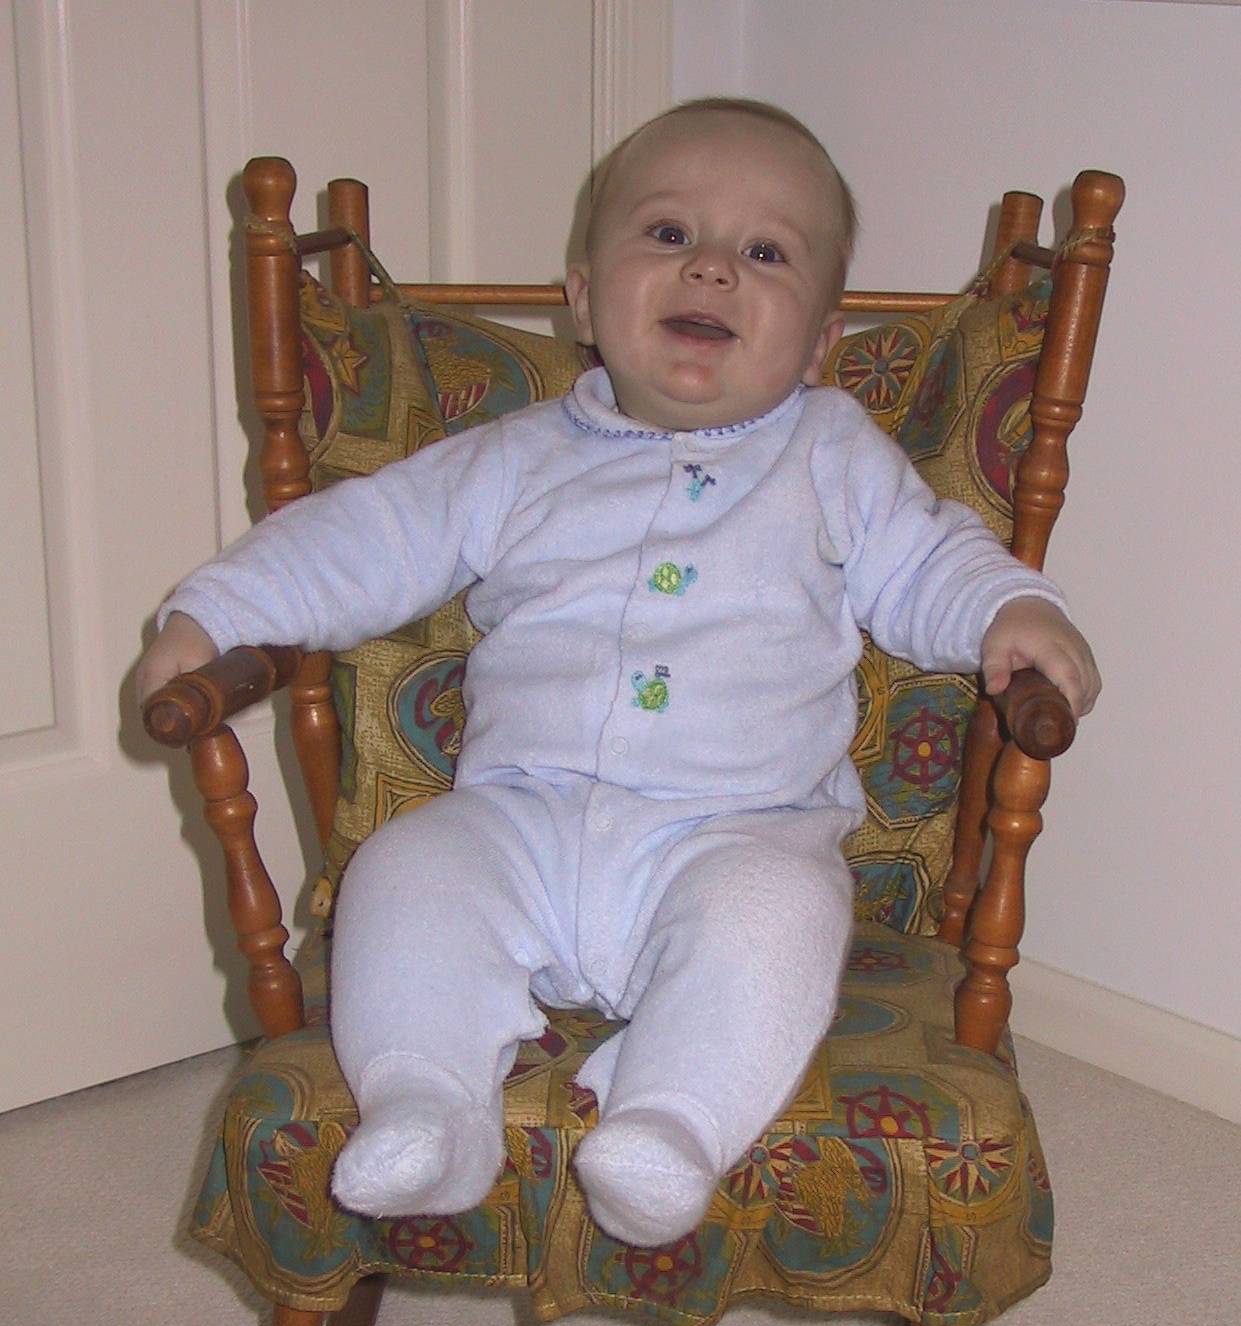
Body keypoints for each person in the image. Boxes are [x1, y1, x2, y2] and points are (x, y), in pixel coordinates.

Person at [137, 97, 1100, 1248]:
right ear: (586, 299)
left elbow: (926, 560)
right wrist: (217, 612)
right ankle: (426, 1101)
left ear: (819, 341)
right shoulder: (515, 458)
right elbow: (365, 539)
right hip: (518, 820)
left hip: (735, 832)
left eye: (764, 252)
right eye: (667, 233)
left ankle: (669, 1123)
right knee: (405, 871)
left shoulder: (831, 453)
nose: (711, 267)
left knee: (782, 915)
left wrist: (1010, 608)